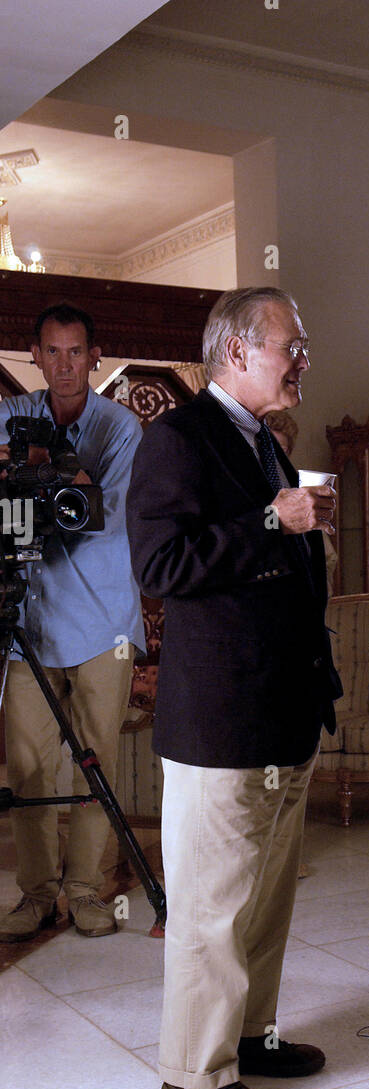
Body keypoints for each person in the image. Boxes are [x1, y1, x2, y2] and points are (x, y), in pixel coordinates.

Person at [126, 285, 341, 1089]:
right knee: (213, 907)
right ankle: (195, 1070)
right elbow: (161, 567)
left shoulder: (268, 446)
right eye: (291, 344)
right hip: (220, 717)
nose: (302, 359)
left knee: (264, 902)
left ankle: (249, 1036)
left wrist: (289, 519)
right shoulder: (176, 440)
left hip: (282, 711)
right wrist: (269, 520)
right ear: (235, 350)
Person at [0, 303, 145, 942]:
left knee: (96, 761)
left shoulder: (121, 429)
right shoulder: (11, 417)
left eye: (75, 351)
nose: (64, 365)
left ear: (95, 357)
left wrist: (47, 472)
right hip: (30, 618)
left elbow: (93, 515)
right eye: (52, 351)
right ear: (34, 355)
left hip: (104, 617)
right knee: (26, 763)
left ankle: (88, 888)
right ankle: (36, 894)